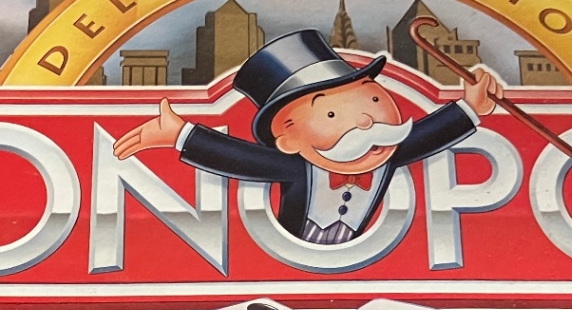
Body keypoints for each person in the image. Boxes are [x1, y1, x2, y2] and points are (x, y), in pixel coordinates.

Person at [114, 29, 502, 246]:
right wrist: (181, 135)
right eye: (331, 114)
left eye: (372, 98)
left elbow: (427, 136)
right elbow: (241, 159)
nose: (365, 120)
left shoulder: (387, 150)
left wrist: (471, 107)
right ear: (287, 138)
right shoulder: (296, 169)